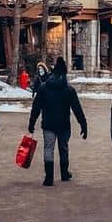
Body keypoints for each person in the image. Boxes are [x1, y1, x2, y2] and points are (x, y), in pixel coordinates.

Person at [29, 56, 88, 185]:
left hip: (48, 124)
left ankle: (49, 177)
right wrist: (83, 125)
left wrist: (31, 123)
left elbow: (36, 107)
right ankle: (64, 173)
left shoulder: (44, 88)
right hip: (63, 124)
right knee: (64, 148)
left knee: (48, 149)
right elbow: (77, 109)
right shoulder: (69, 90)